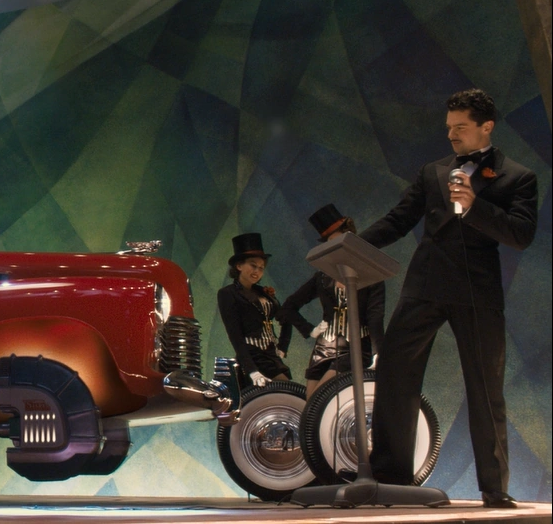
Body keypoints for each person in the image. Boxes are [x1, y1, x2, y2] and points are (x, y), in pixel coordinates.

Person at [360, 89, 537, 509]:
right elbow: (399, 220)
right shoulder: (434, 171)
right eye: (448, 128)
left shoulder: (517, 176)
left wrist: (474, 206)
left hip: (477, 290)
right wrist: (353, 245)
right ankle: (390, 477)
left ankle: (494, 487)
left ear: (486, 127)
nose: (451, 135)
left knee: (486, 387)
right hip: (425, 284)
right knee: (395, 375)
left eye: (460, 127)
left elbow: (520, 234)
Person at [278, 204, 385, 400]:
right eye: (329, 243)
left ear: (350, 237)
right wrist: (310, 330)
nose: (335, 248)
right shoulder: (322, 277)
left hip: (355, 346)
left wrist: (379, 351)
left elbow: (375, 316)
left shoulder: (370, 272)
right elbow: (289, 306)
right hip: (323, 347)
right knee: (311, 404)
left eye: (338, 241)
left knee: (320, 398)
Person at [217, 233, 292, 388]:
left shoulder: (263, 292)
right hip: (252, 356)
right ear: (239, 266)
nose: (257, 271)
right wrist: (251, 370)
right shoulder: (228, 293)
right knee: (285, 389)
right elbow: (235, 335)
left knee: (286, 391)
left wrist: (282, 346)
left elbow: (286, 318)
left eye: (261, 268)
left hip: (271, 355)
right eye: (253, 265)